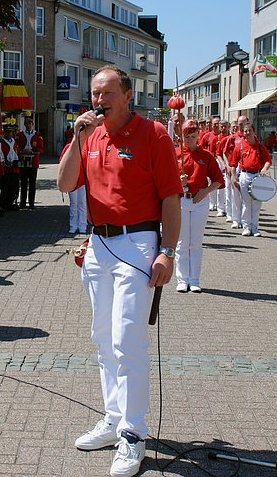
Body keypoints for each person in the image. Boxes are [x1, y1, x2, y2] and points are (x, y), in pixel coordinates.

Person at [58, 66, 181, 477]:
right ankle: (113, 418)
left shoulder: (154, 135)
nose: (100, 101)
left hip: (138, 242)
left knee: (128, 339)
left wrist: (167, 252)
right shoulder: (88, 133)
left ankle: (133, 432)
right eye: (95, 93)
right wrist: (77, 138)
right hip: (99, 243)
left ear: (128, 95)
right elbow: (63, 183)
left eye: (108, 93)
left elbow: (170, 198)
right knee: (102, 339)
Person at [174, 119, 224, 293]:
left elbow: (218, 180)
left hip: (200, 201)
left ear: (198, 136)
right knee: (181, 242)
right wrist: (177, 182)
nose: (189, 140)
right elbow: (164, 178)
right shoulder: (176, 154)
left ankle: (194, 279)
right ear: (181, 136)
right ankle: (182, 279)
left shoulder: (206, 156)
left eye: (193, 136)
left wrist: (205, 191)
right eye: (186, 137)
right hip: (181, 200)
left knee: (195, 242)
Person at [230, 124, 272, 237]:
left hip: (258, 176)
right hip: (245, 175)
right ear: (243, 133)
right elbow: (233, 164)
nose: (247, 133)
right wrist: (234, 178)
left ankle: (255, 227)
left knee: (257, 203)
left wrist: (264, 168)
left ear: (254, 132)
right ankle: (246, 227)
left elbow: (268, 161)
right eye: (245, 131)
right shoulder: (240, 147)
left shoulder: (260, 147)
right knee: (246, 203)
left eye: (250, 131)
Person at [16, 114, 44, 210]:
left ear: (33, 124)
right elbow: (16, 146)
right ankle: (22, 203)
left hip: (33, 161)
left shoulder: (37, 135)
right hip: (23, 160)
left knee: (32, 183)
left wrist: (33, 150)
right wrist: (22, 151)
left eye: (30, 123)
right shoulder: (20, 135)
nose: (29, 125)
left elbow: (41, 148)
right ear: (24, 125)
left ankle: (31, 203)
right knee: (23, 183)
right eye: (27, 124)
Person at [59, 140, 87, 234]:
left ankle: (83, 225)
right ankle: (73, 226)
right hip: (72, 179)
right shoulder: (68, 147)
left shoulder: (86, 146)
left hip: (83, 180)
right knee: (73, 203)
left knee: (82, 203)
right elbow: (62, 162)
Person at [0, 121, 21, 211]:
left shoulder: (14, 142)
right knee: (5, 187)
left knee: (14, 187)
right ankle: (3, 204)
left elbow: (17, 152)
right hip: (6, 168)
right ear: (4, 132)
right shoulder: (1, 142)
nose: (9, 134)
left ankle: (11, 203)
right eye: (7, 132)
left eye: (10, 132)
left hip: (14, 168)